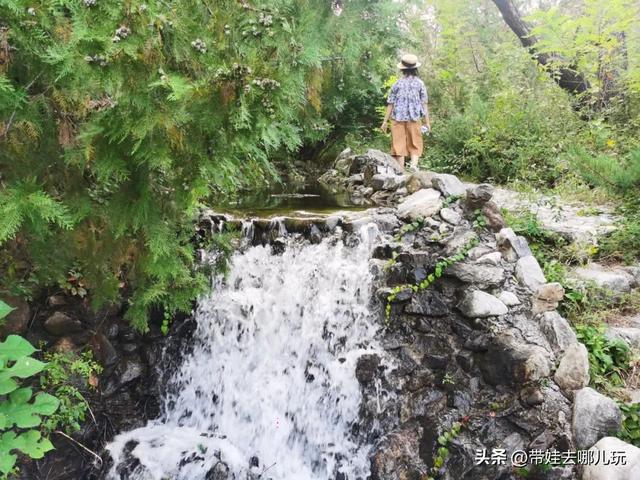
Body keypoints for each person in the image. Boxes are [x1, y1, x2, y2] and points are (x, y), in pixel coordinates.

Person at [380, 53, 431, 171]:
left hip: (398, 118)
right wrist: (427, 122)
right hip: (414, 118)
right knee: (415, 142)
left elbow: (390, 104)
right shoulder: (420, 84)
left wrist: (384, 121)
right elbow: (424, 104)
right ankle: (413, 166)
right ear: (415, 68)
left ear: (402, 69)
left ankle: (400, 171)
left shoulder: (397, 84)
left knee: (398, 145)